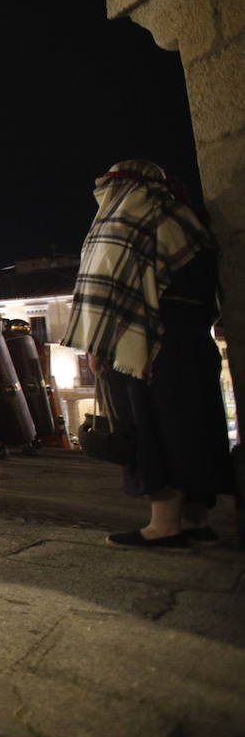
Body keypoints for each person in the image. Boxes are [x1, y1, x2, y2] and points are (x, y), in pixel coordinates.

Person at [63, 160, 231, 550]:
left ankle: (163, 525)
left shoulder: (127, 221)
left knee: (155, 427)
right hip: (192, 341)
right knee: (194, 423)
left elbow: (109, 290)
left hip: (145, 344)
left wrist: (98, 345)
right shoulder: (187, 219)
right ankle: (195, 519)